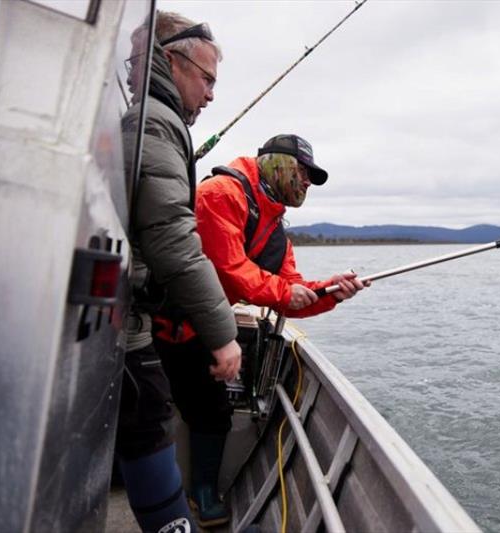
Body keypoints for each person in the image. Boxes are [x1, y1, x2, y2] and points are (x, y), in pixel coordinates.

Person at [154, 134, 368, 527]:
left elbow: (290, 294)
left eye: (310, 178)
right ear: (278, 164)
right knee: (167, 407)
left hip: (205, 327)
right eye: (303, 173)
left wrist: (331, 292)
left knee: (211, 410)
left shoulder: (276, 233)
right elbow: (227, 268)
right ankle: (180, 487)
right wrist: (288, 291)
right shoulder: (220, 194)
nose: (306, 183)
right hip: (165, 321)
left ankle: (200, 488)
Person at [116, 11, 242, 533]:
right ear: (172, 62)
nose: (211, 95)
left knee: (144, 421)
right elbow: (173, 237)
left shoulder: (149, 118)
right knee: (148, 421)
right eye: (206, 78)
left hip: (128, 311)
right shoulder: (156, 122)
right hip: (126, 325)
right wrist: (225, 336)